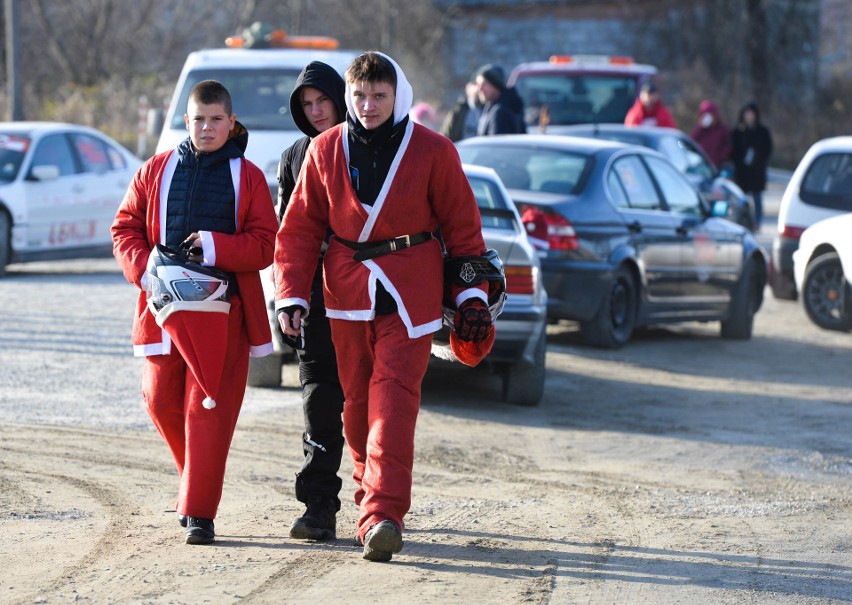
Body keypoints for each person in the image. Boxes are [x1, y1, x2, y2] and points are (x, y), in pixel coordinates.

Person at [273, 51, 494, 562]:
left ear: (398, 97)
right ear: (347, 97)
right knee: (356, 413)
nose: (368, 106)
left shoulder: (434, 151)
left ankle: (383, 516)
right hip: (345, 295)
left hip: (409, 293)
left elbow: (463, 230)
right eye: (359, 96)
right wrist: (290, 296)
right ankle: (368, 502)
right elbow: (300, 230)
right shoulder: (324, 151)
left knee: (393, 401)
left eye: (379, 96)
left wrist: (471, 296)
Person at [112, 80, 278, 545]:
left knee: (205, 409)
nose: (207, 128)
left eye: (216, 120)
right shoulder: (155, 169)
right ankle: (195, 484)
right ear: (187, 121)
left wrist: (213, 246)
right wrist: (145, 268)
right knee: (160, 401)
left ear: (231, 122)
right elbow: (124, 227)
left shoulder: (249, 177)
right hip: (162, 308)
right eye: (198, 120)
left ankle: (200, 513)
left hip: (224, 314)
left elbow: (266, 244)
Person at [276, 61, 347, 541]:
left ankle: (378, 505)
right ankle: (319, 506)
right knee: (319, 399)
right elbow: (288, 235)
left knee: (367, 404)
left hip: (369, 298)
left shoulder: (367, 148)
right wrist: (290, 299)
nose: (317, 111)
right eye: (308, 104)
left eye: (323, 100)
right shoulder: (294, 156)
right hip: (316, 303)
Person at [730, 101, 773, 231]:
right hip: (742, 172)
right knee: (741, 199)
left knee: (757, 198)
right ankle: (742, 221)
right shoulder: (738, 131)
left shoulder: (762, 131)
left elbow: (768, 149)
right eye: (746, 114)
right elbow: (733, 151)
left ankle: (757, 222)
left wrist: (758, 159)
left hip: (757, 172)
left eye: (751, 114)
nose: (749, 116)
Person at [474, 63, 525, 135]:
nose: (480, 89)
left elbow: (495, 145)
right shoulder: (501, 106)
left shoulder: (500, 112)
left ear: (495, 84)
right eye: (478, 84)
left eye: (484, 84)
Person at [690, 99, 731, 170]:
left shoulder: (722, 130)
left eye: (709, 115)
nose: (707, 117)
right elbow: (691, 141)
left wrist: (719, 158)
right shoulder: (701, 130)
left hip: (717, 166)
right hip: (702, 165)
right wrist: (700, 127)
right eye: (704, 115)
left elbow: (728, 147)